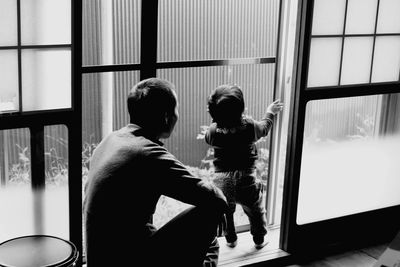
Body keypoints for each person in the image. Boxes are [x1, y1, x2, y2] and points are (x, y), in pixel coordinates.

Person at [83, 78, 228, 267]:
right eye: (176, 109)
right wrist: (219, 206)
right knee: (211, 217)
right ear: (167, 117)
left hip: (101, 258)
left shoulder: (110, 140)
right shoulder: (147, 153)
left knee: (208, 241)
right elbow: (214, 199)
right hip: (129, 260)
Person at [205, 84, 283, 249]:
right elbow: (264, 128)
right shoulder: (250, 127)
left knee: (227, 212)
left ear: (212, 114)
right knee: (255, 209)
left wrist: (216, 119)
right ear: (242, 110)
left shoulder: (212, 132)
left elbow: (208, 138)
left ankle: (231, 239)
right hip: (246, 179)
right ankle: (259, 240)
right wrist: (270, 112)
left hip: (222, 180)